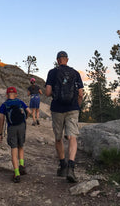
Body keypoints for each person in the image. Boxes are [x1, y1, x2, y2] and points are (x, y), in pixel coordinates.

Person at [45, 51, 84, 183]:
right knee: (72, 137)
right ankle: (71, 167)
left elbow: (48, 92)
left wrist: (56, 95)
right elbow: (80, 94)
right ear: (67, 59)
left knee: (58, 138)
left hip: (57, 109)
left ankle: (63, 166)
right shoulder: (75, 73)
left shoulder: (52, 72)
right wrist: (77, 107)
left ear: (57, 60)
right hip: (72, 108)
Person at [0, 86, 31, 183]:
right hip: (21, 126)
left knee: (14, 148)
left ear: (6, 95)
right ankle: (22, 165)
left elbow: (2, 120)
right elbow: (29, 111)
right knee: (21, 145)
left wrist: (0, 133)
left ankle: (16, 173)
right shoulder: (20, 102)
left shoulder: (4, 105)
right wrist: (25, 118)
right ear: (16, 94)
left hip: (11, 128)